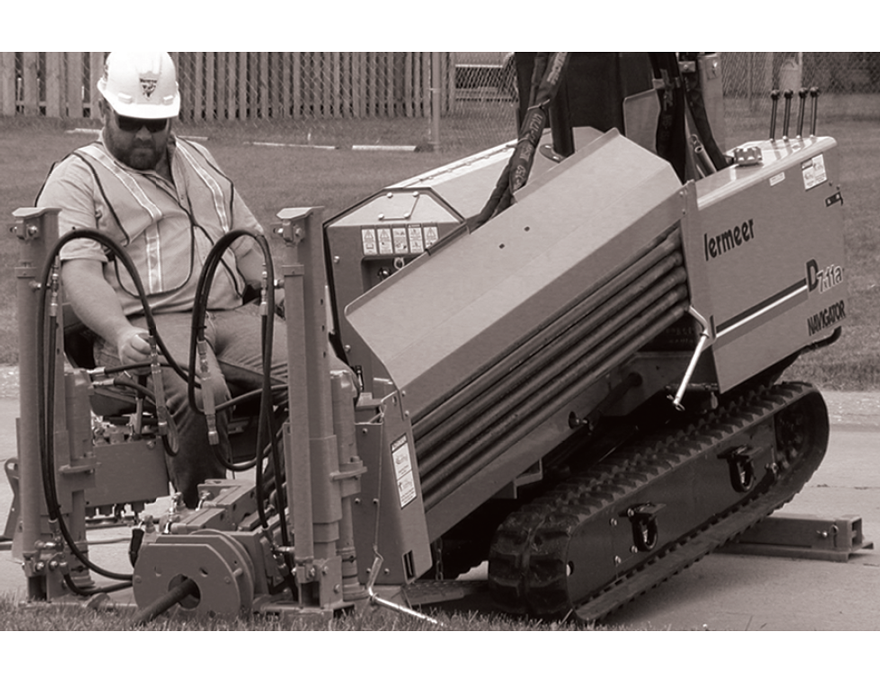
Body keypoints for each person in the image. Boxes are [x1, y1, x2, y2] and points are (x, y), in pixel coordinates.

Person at [36, 51, 291, 508]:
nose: (143, 134)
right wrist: (119, 332)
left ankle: (288, 514)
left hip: (232, 315)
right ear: (103, 110)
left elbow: (247, 244)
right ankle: (206, 523)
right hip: (151, 326)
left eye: (157, 124)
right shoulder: (77, 176)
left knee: (324, 377)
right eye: (130, 120)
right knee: (201, 392)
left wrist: (281, 289)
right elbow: (80, 271)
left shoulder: (201, 160)